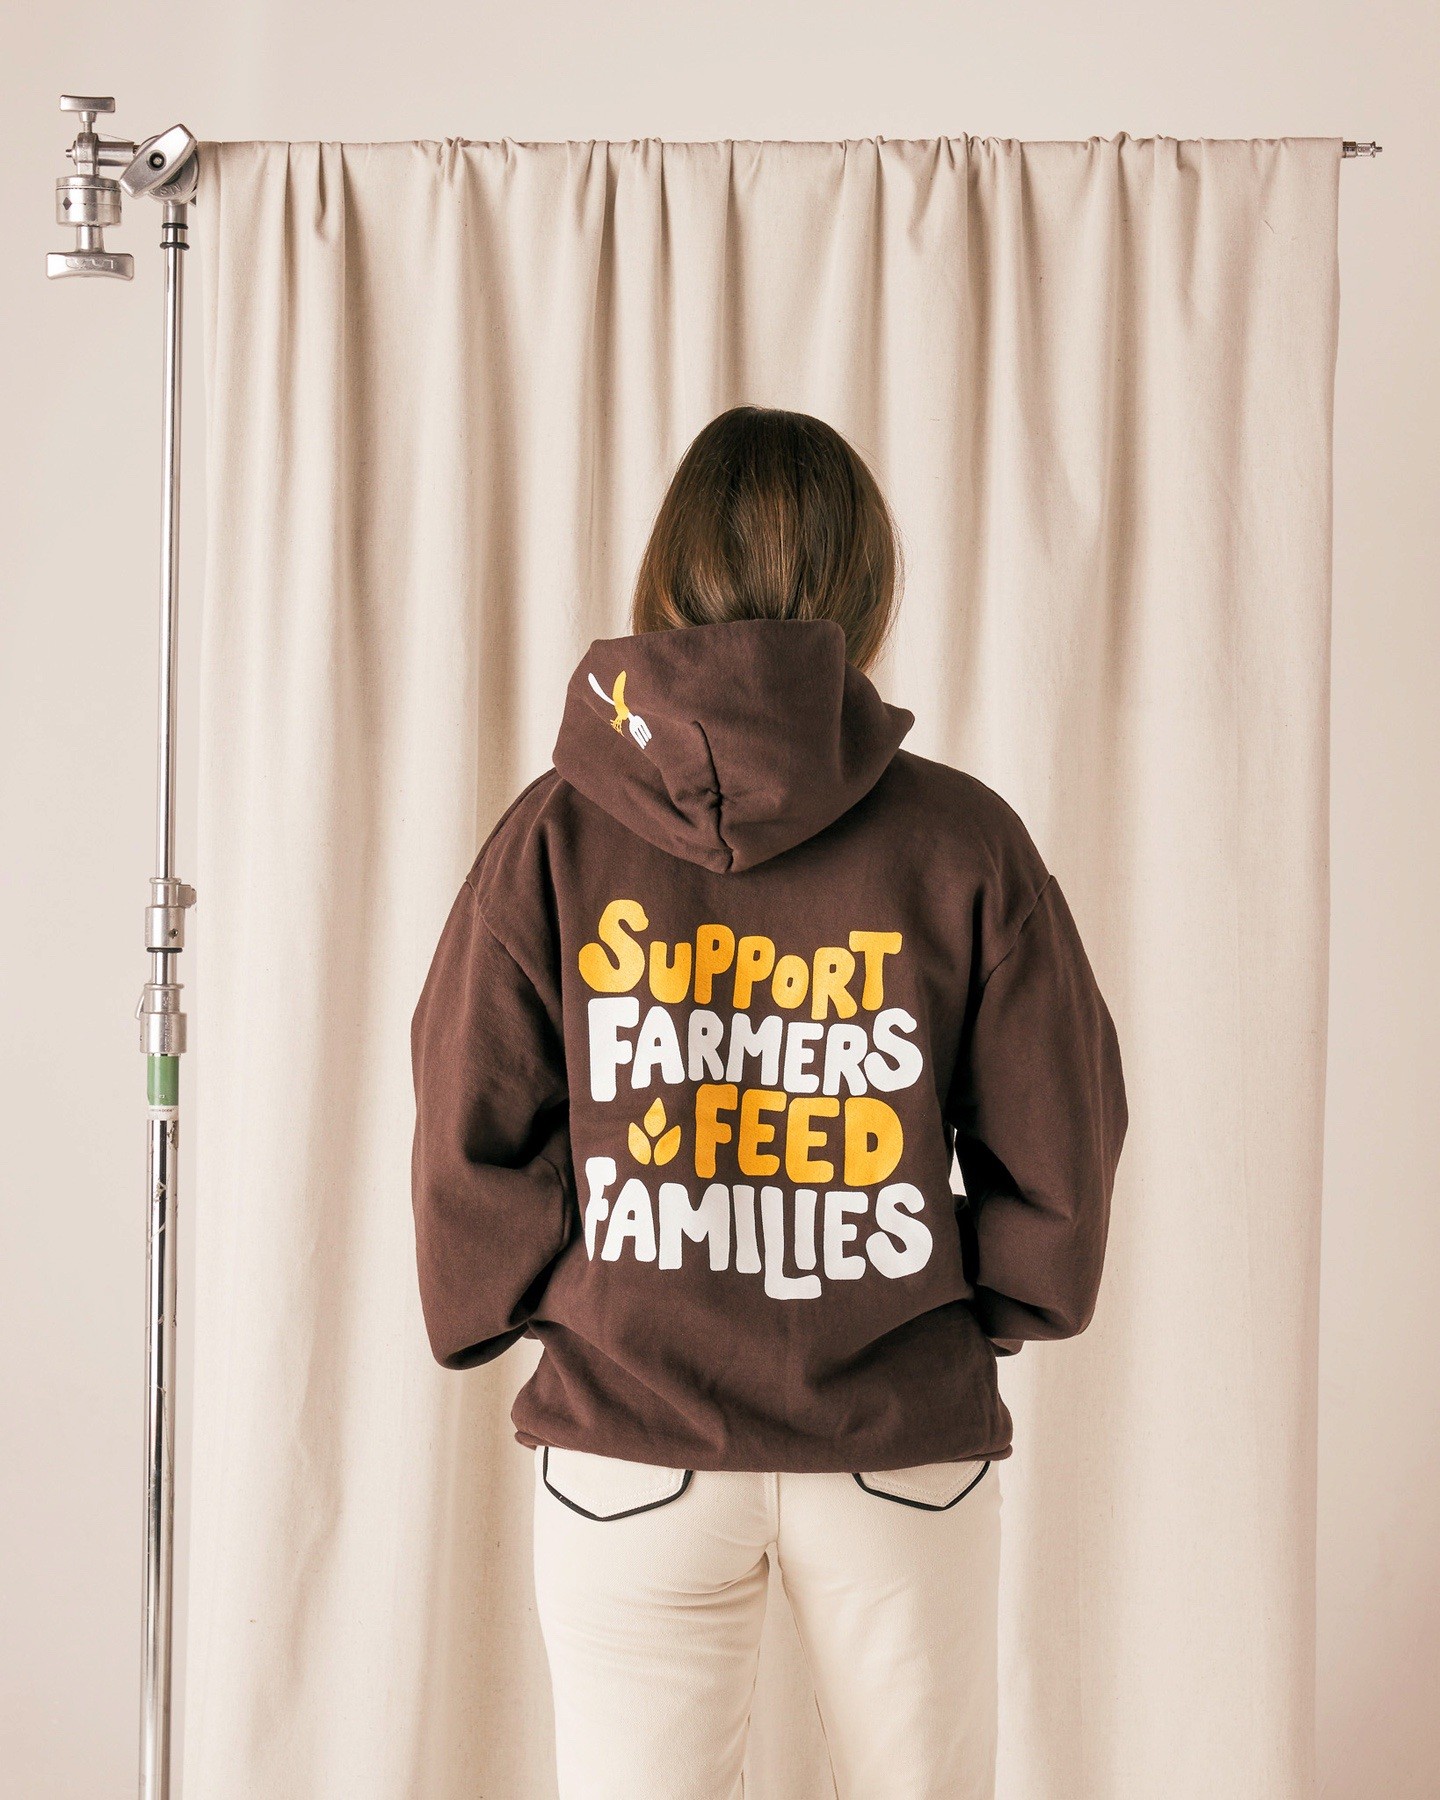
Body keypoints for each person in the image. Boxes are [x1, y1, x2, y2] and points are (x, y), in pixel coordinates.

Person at [410, 406, 1128, 1800]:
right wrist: (981, 1298)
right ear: (868, 589)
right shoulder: (963, 838)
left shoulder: (554, 832)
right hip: (898, 1443)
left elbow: (463, 1112)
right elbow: (1065, 1130)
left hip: (631, 1446)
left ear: (665, 576)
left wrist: (558, 1294)